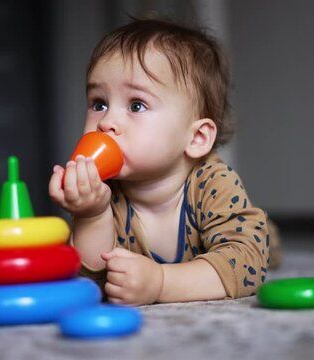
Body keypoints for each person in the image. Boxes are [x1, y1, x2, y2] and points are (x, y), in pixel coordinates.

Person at [49, 18, 281, 306]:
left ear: (196, 138)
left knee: (261, 243)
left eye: (136, 105)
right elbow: (90, 278)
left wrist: (160, 283)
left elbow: (245, 266)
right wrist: (91, 215)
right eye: (99, 103)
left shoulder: (213, 182)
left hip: (230, 223)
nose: (106, 122)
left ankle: (266, 230)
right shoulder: (107, 191)